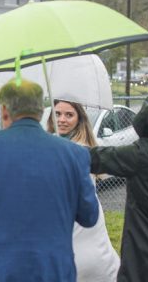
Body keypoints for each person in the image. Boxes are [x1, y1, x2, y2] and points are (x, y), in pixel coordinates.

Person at [0, 79, 99, 282]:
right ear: (42, 111)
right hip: (54, 271)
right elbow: (89, 216)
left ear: (5, 110)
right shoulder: (75, 154)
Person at [88, 88, 148, 282]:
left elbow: (94, 158)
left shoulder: (141, 155)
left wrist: (57, 147)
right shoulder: (142, 154)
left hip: (146, 262)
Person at [47, 100, 120, 282]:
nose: (62, 119)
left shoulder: (81, 151)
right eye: (57, 114)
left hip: (80, 222)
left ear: (79, 119)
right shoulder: (50, 145)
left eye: (69, 115)